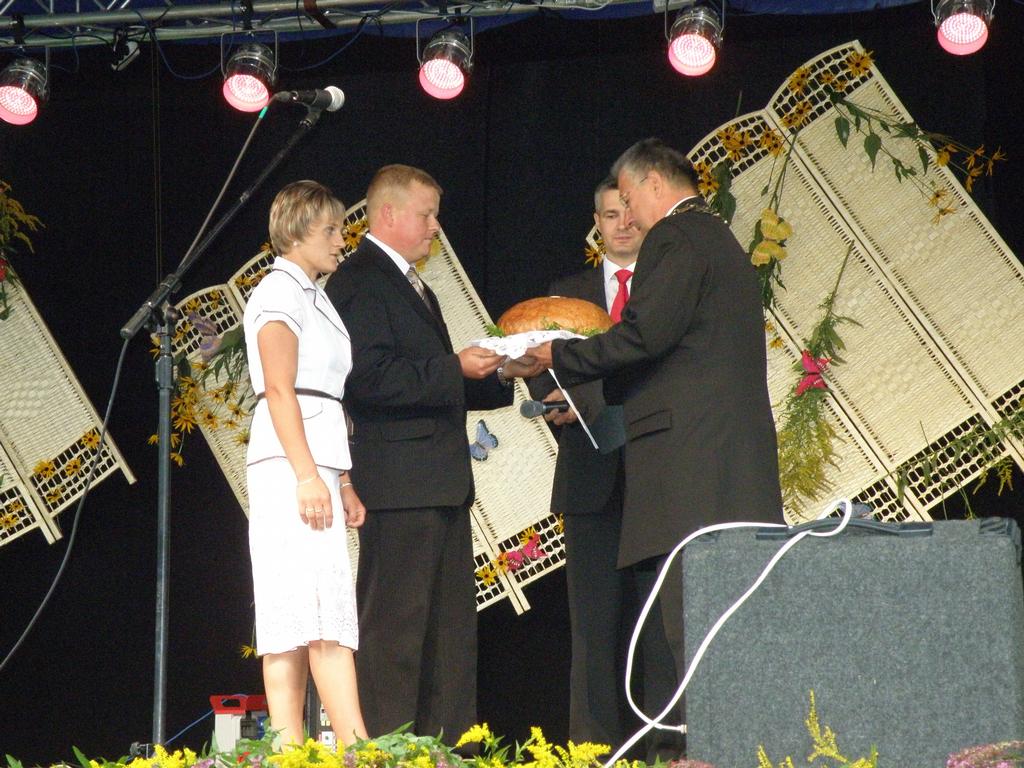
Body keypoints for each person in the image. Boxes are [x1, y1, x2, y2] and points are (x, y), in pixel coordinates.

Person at [530, 139, 783, 742]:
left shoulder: (674, 237)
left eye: (628, 197)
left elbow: (645, 335)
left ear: (652, 184)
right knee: (719, 626)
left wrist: (557, 355)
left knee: (689, 628)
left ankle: (704, 750)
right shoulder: (717, 237)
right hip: (725, 468)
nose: (629, 215)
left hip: (689, 471)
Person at [324, 164, 541, 740]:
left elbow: (435, 382)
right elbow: (368, 379)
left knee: (449, 636)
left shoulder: (415, 285)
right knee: (395, 633)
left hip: (438, 484)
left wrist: (501, 373)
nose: (435, 227)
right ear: (388, 214)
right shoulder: (358, 282)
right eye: (426, 215)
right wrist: (453, 366)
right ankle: (388, 750)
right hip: (400, 486)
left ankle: (447, 749)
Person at [243, 180, 369, 748]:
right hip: (290, 466)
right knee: (305, 611)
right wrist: (306, 474)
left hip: (316, 463)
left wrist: (341, 480)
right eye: (331, 230)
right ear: (296, 233)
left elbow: (326, 396)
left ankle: (296, 751)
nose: (341, 240)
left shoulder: (314, 294)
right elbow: (279, 386)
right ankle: (354, 749)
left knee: (313, 607)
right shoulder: (278, 291)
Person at [526, 176, 646, 747]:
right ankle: (592, 749)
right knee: (593, 624)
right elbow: (541, 365)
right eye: (609, 215)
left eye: (629, 213)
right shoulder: (566, 293)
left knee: (659, 623)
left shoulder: (665, 286)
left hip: (655, 472)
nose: (621, 225)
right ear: (596, 224)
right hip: (588, 477)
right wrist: (555, 397)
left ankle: (666, 747)